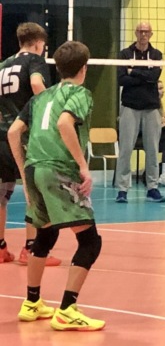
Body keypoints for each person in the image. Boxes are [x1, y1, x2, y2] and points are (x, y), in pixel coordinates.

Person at [8, 40, 105, 330]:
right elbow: (64, 124)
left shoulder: (41, 97)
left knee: (45, 235)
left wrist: (25, 176)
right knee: (90, 241)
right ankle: (67, 310)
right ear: (84, 68)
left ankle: (32, 302)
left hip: (34, 168)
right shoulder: (80, 93)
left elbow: (14, 132)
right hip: (59, 169)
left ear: (58, 68)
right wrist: (84, 166)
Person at [0, 23, 60, 267]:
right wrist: (50, 112)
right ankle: (31, 249)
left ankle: (1, 248)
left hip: (2, 136)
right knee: (33, 192)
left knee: (2, 193)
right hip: (25, 136)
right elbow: (36, 84)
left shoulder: (3, 65)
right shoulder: (35, 60)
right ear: (38, 43)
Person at [114, 21, 165, 204]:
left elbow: (154, 77)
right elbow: (121, 80)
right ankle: (122, 189)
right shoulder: (125, 54)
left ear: (151, 34)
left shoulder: (157, 54)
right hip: (130, 106)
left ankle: (152, 188)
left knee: (152, 149)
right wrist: (143, 76)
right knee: (126, 149)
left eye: (146, 31)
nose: (143, 34)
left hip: (151, 107)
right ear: (135, 33)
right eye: (140, 31)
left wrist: (133, 71)